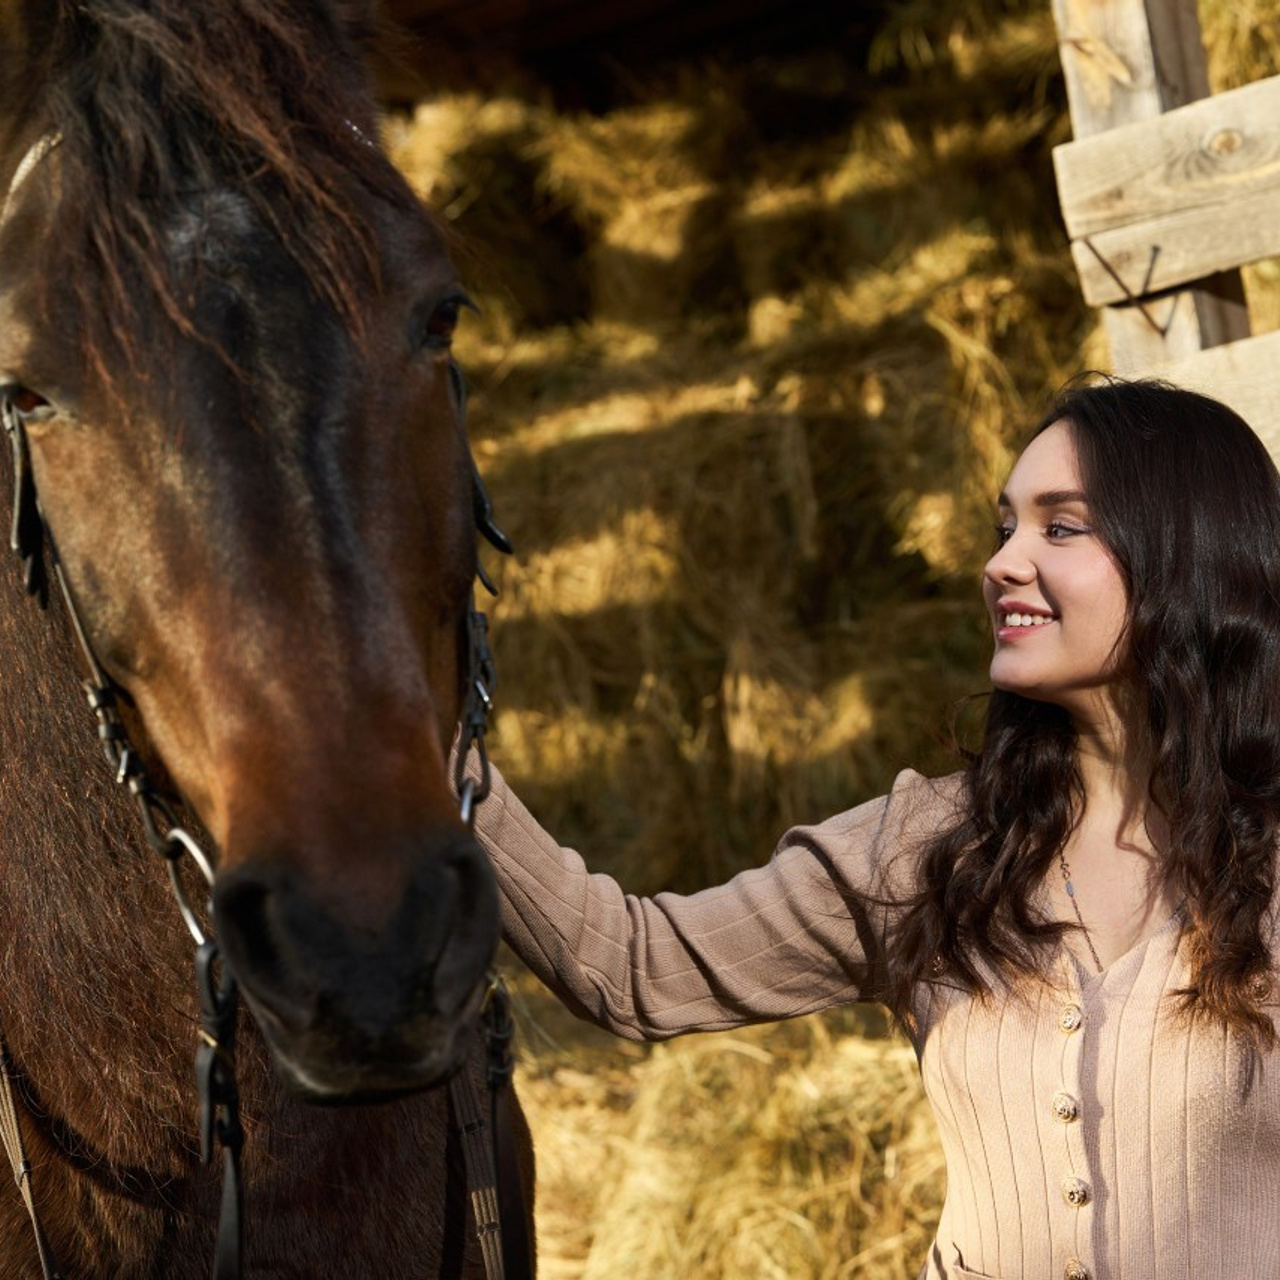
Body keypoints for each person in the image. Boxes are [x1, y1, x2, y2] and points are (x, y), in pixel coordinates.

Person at [467, 376, 1280, 1280]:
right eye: (1003, 526)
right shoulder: (934, 848)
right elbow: (632, 966)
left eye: (1060, 526)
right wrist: (430, 744)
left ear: (1187, 558)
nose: (1004, 562)